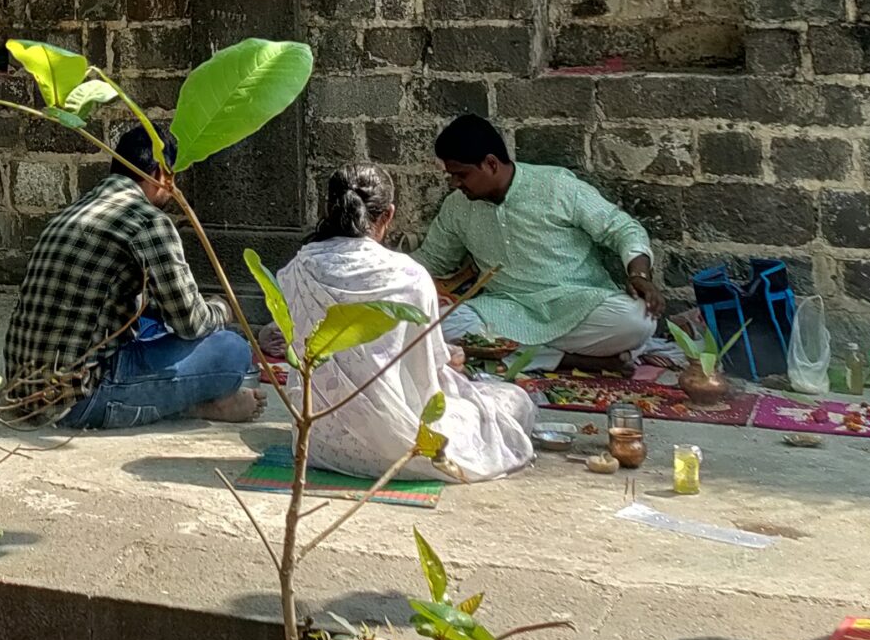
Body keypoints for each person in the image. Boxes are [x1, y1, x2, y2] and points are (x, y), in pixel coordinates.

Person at [276, 167, 537, 483]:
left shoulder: (294, 270)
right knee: (515, 401)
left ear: (327, 208)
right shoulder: (409, 276)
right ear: (388, 216)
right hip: (400, 450)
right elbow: (426, 376)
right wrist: (449, 357)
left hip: (316, 445)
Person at [1, 123, 260, 429]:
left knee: (153, 327)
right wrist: (223, 309)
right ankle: (193, 406)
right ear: (162, 175)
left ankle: (181, 402)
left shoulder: (70, 213)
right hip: (81, 398)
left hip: (22, 391)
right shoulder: (148, 221)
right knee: (232, 350)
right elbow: (191, 323)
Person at [415, 115, 663, 374]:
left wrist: (639, 274)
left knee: (638, 320)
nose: (455, 184)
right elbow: (433, 259)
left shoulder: (556, 186)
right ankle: (573, 360)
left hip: (577, 303)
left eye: (461, 175)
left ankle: (529, 355)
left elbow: (622, 228)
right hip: (505, 310)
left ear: (490, 164)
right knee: (435, 325)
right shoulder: (457, 206)